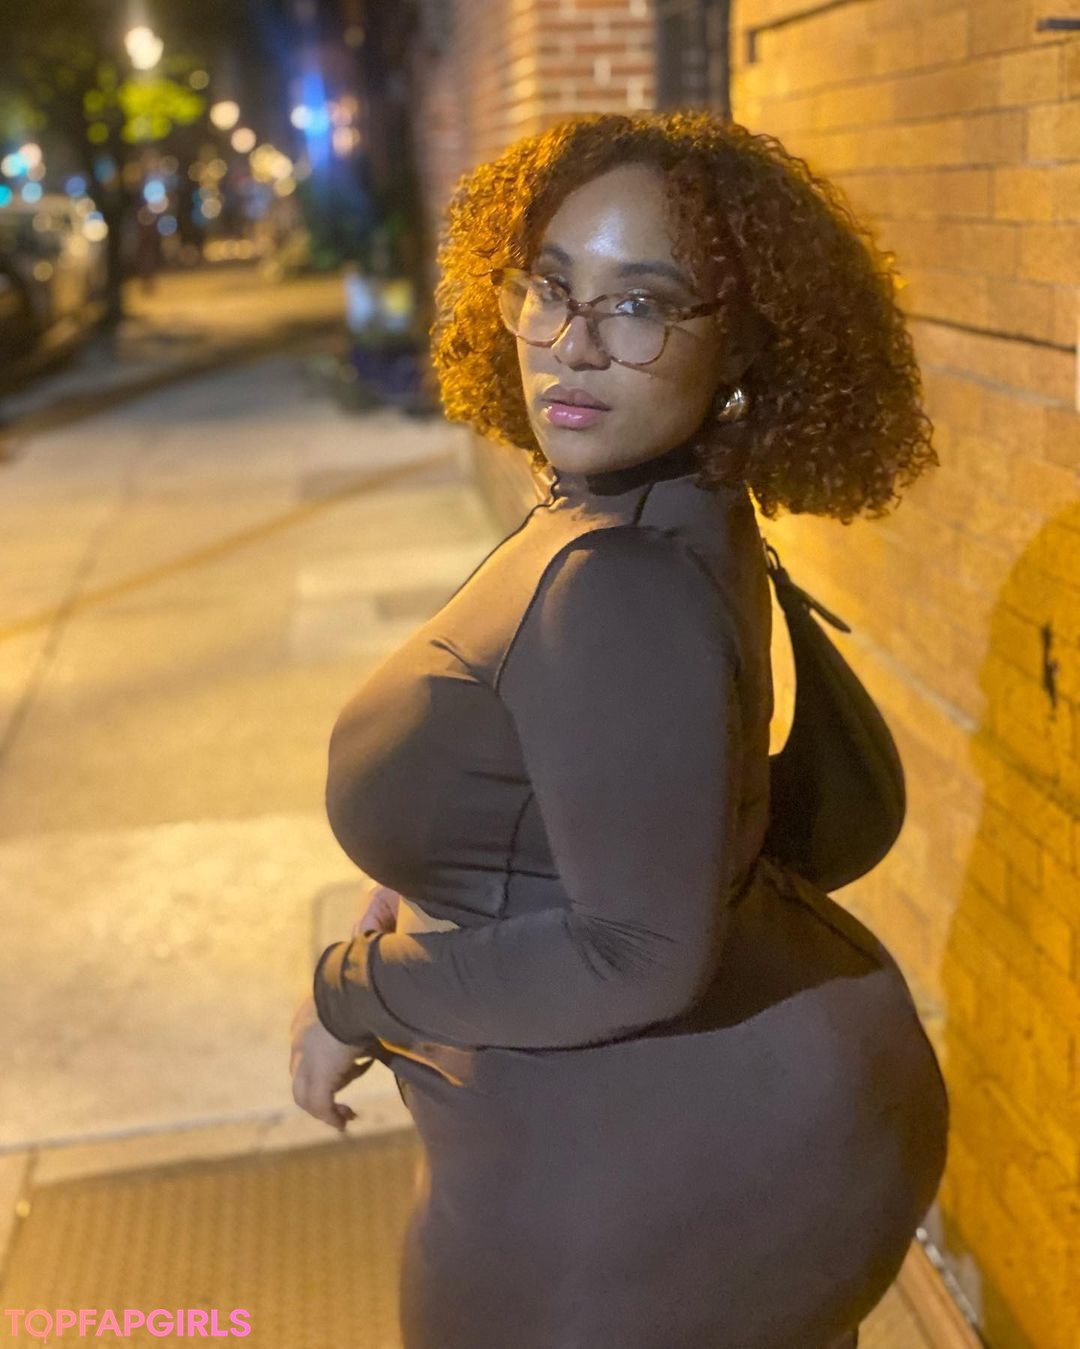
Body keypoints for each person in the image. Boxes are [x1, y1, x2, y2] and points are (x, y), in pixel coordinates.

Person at [289, 110, 949, 1349]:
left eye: (639, 304)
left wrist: (348, 993)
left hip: (640, 1201)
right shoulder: (666, 496)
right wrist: (421, 877)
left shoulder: (613, 586)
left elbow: (637, 951)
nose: (572, 344)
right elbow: (556, 786)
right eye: (550, 287)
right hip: (705, 1134)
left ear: (738, 343)